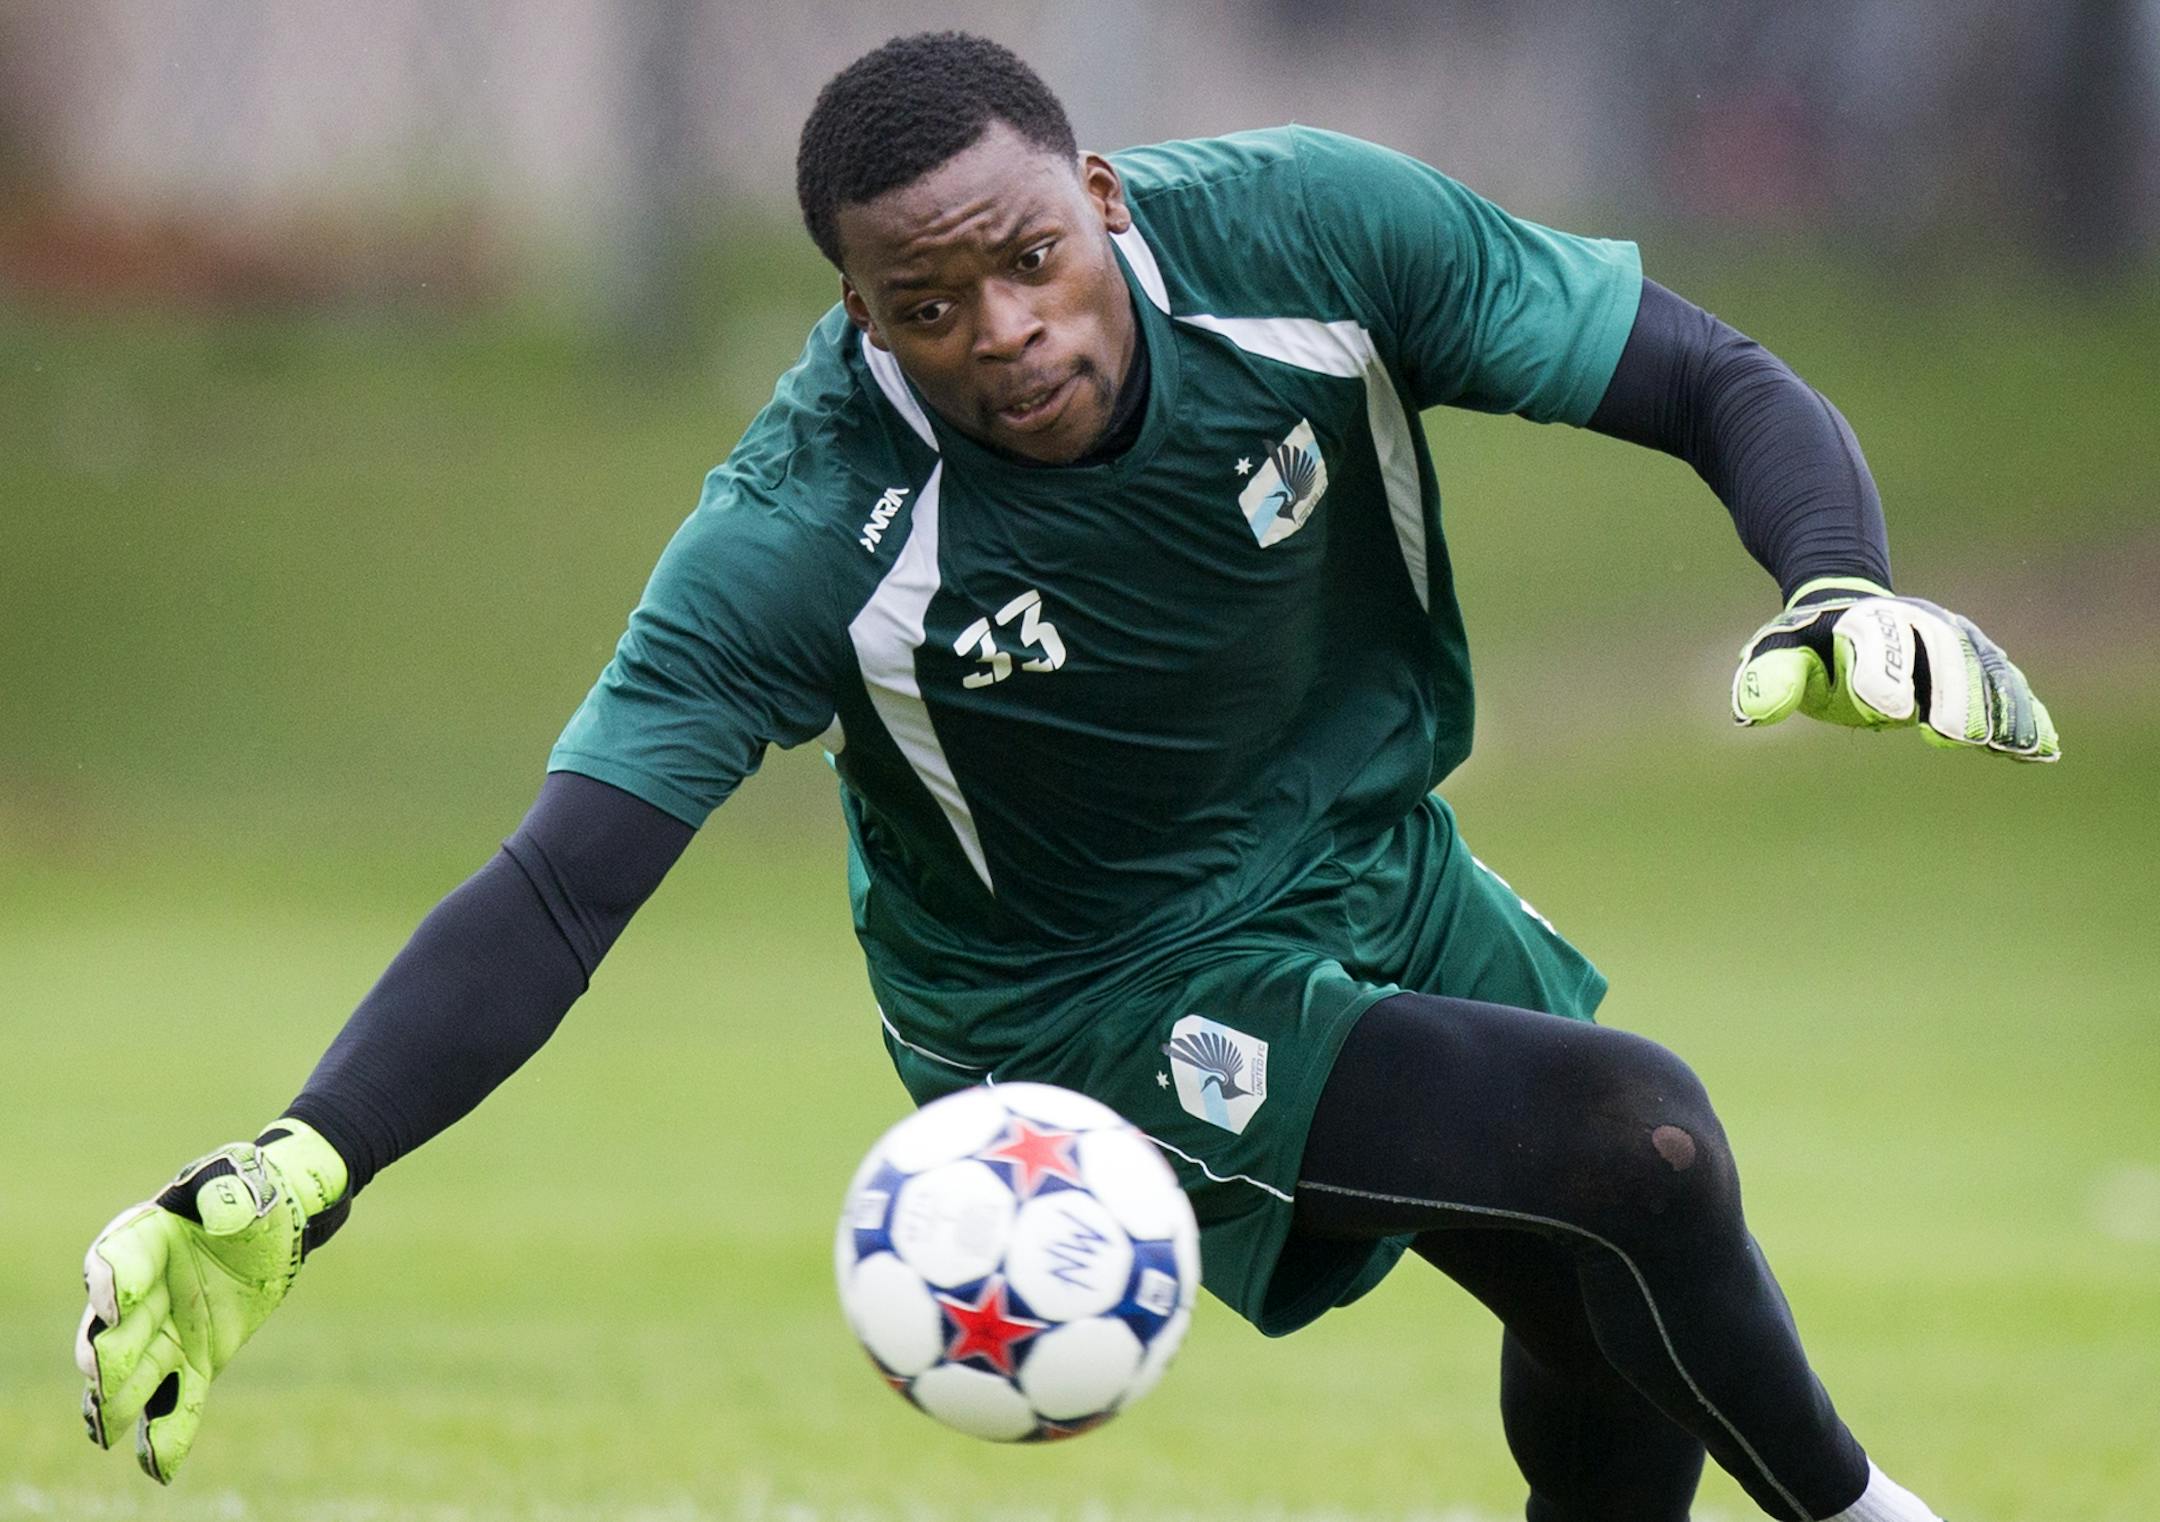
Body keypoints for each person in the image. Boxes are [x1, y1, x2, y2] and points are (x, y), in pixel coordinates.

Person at [75, 30, 2056, 1521]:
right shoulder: (804, 525)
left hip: (1364, 855)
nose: (999, 332)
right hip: (1090, 995)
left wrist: (1838, 581)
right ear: (858, 313)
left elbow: (1711, 375)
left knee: (1595, 1294)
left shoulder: (1314, 233)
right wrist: (310, 1157)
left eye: (1025, 259)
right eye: (923, 307)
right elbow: (557, 890)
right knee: (1639, 1142)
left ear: (1101, 196)